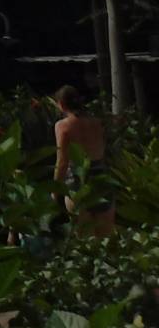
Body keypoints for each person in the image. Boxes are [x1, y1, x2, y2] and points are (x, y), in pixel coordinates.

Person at [53, 85, 115, 236]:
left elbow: (62, 162)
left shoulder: (63, 126)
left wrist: (55, 190)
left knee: (83, 238)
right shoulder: (97, 123)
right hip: (101, 177)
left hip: (78, 179)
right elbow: (102, 150)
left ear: (60, 104)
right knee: (105, 237)